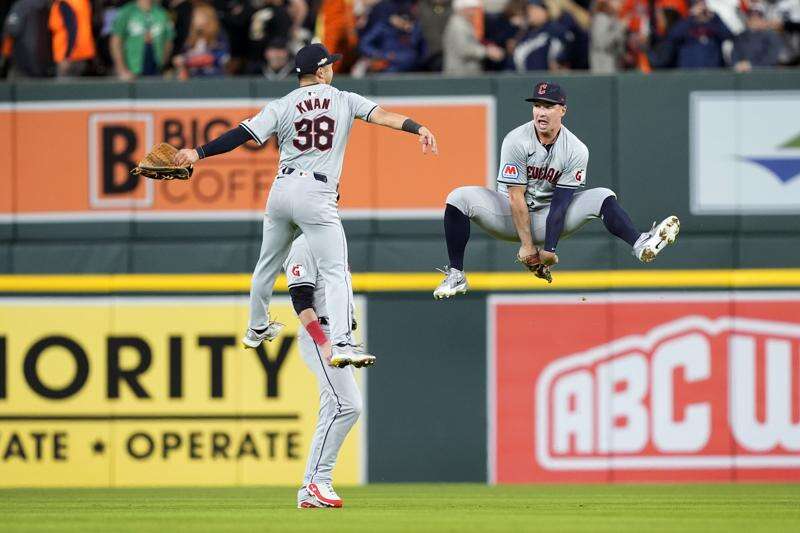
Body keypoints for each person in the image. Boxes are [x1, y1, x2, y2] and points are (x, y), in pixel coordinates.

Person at [173, 43, 438, 366]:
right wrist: (418, 128)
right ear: (322, 71)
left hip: (282, 190)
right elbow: (383, 117)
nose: (334, 70)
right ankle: (342, 342)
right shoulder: (343, 98)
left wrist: (197, 153)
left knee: (267, 265)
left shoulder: (282, 104)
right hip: (317, 193)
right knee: (335, 270)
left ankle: (256, 327)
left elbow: (240, 134)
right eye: (331, 66)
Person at [433, 82, 680, 299]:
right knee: (458, 198)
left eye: (549, 106)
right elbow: (515, 196)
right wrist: (528, 247)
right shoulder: (516, 139)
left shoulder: (576, 149)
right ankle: (457, 274)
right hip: (510, 216)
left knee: (602, 195)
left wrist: (549, 250)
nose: (541, 112)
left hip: (549, 216)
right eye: (537, 105)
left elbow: (561, 204)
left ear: (562, 110)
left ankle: (639, 243)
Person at [285, 234, 366, 509]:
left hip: (338, 336)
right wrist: (325, 342)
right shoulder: (303, 245)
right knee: (348, 406)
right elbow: (301, 302)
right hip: (320, 335)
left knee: (333, 408)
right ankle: (317, 481)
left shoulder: (334, 241)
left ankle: (311, 486)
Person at [110, 0, 175, 79]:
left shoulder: (161, 13)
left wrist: (163, 63)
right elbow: (116, 41)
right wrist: (122, 69)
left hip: (156, 69)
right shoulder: (127, 12)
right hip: (133, 69)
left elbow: (169, 40)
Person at [443, 0, 505, 75]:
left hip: (465, 73)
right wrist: (487, 52)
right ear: (461, 9)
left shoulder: (464, 23)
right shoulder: (458, 25)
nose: (473, 12)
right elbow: (464, 49)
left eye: (474, 9)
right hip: (460, 74)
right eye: (470, 9)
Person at [171, 2, 230, 78]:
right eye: (194, 16)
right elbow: (183, 54)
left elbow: (223, 57)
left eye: (200, 16)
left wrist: (190, 61)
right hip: (193, 77)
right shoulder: (190, 36)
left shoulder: (218, 34)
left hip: (213, 76)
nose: (196, 18)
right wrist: (181, 61)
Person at [49, 0, 96, 76]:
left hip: (69, 57)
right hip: (81, 54)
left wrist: (66, 57)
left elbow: (72, 30)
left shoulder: (64, 3)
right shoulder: (80, 2)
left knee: (63, 85)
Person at [732, 3, 783, 71]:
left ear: (763, 19)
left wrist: (751, 65)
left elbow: (771, 58)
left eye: (758, 15)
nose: (754, 18)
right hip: (742, 73)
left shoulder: (772, 36)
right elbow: (734, 55)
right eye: (751, 15)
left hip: (765, 74)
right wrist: (738, 64)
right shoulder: (740, 36)